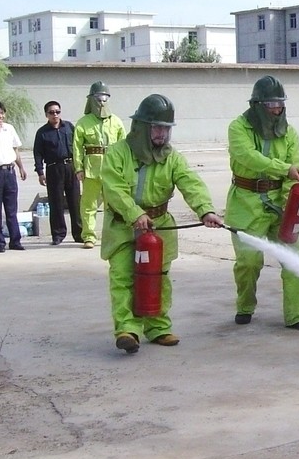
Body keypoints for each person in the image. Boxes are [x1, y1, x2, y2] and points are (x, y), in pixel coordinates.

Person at [100, 94, 224, 354]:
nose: (162, 134)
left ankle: (157, 327)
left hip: (159, 227)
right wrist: (135, 214)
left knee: (159, 277)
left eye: (166, 128)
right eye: (157, 127)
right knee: (123, 277)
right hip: (124, 227)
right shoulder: (118, 153)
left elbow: (190, 182)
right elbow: (114, 189)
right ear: (142, 127)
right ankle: (127, 329)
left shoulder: (172, 157)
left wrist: (206, 210)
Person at [225, 75, 299, 331]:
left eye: (280, 103)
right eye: (271, 103)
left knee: (298, 259)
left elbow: (296, 168)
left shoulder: (290, 133)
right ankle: (245, 305)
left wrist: (290, 207)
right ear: (257, 105)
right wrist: (284, 168)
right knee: (249, 262)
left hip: (280, 204)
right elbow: (247, 157)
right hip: (246, 204)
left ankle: (297, 315)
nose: (277, 108)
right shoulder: (238, 128)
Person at [73, 81, 126, 249]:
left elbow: (124, 146)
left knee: (114, 204)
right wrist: (79, 168)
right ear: (91, 99)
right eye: (98, 98)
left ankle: (113, 235)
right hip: (91, 170)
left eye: (105, 98)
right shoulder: (83, 122)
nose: (101, 102)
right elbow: (76, 148)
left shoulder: (116, 121)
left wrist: (124, 168)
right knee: (89, 205)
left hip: (112, 169)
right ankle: (88, 236)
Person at [33, 100, 83, 245]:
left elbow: (78, 147)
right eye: (51, 112)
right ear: (46, 115)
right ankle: (58, 235)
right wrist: (40, 173)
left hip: (71, 167)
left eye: (57, 112)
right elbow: (37, 154)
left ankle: (78, 234)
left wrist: (80, 167)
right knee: (56, 202)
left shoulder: (69, 127)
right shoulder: (42, 132)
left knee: (75, 201)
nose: (55, 115)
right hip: (53, 168)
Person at [0, 100, 28, 252]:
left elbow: (15, 150)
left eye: (1, 113)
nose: (0, 116)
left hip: (9, 172)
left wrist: (21, 167)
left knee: (11, 209)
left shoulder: (9, 129)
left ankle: (15, 241)